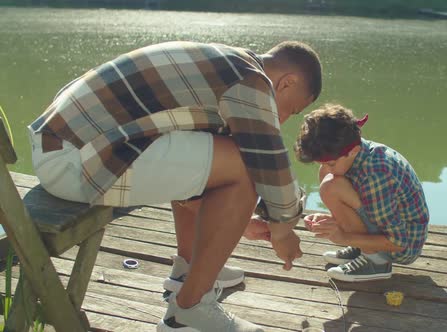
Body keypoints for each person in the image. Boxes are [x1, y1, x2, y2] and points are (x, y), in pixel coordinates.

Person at [28, 40, 322, 331]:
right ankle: (189, 309)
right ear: (287, 82)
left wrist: (241, 220)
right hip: (78, 161)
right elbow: (269, 162)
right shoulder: (251, 81)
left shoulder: (228, 62)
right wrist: (284, 227)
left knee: (211, 148)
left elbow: (195, 162)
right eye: (291, 110)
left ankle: (189, 272)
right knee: (245, 164)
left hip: (59, 150)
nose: (282, 120)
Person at [294, 104, 429, 282]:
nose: (326, 167)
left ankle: (376, 262)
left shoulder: (377, 174)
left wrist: (343, 236)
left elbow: (398, 242)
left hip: (403, 247)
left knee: (331, 187)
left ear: (353, 151)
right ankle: (361, 247)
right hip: (385, 228)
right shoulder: (356, 154)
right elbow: (361, 205)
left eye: (331, 163)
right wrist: (334, 220)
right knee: (328, 179)